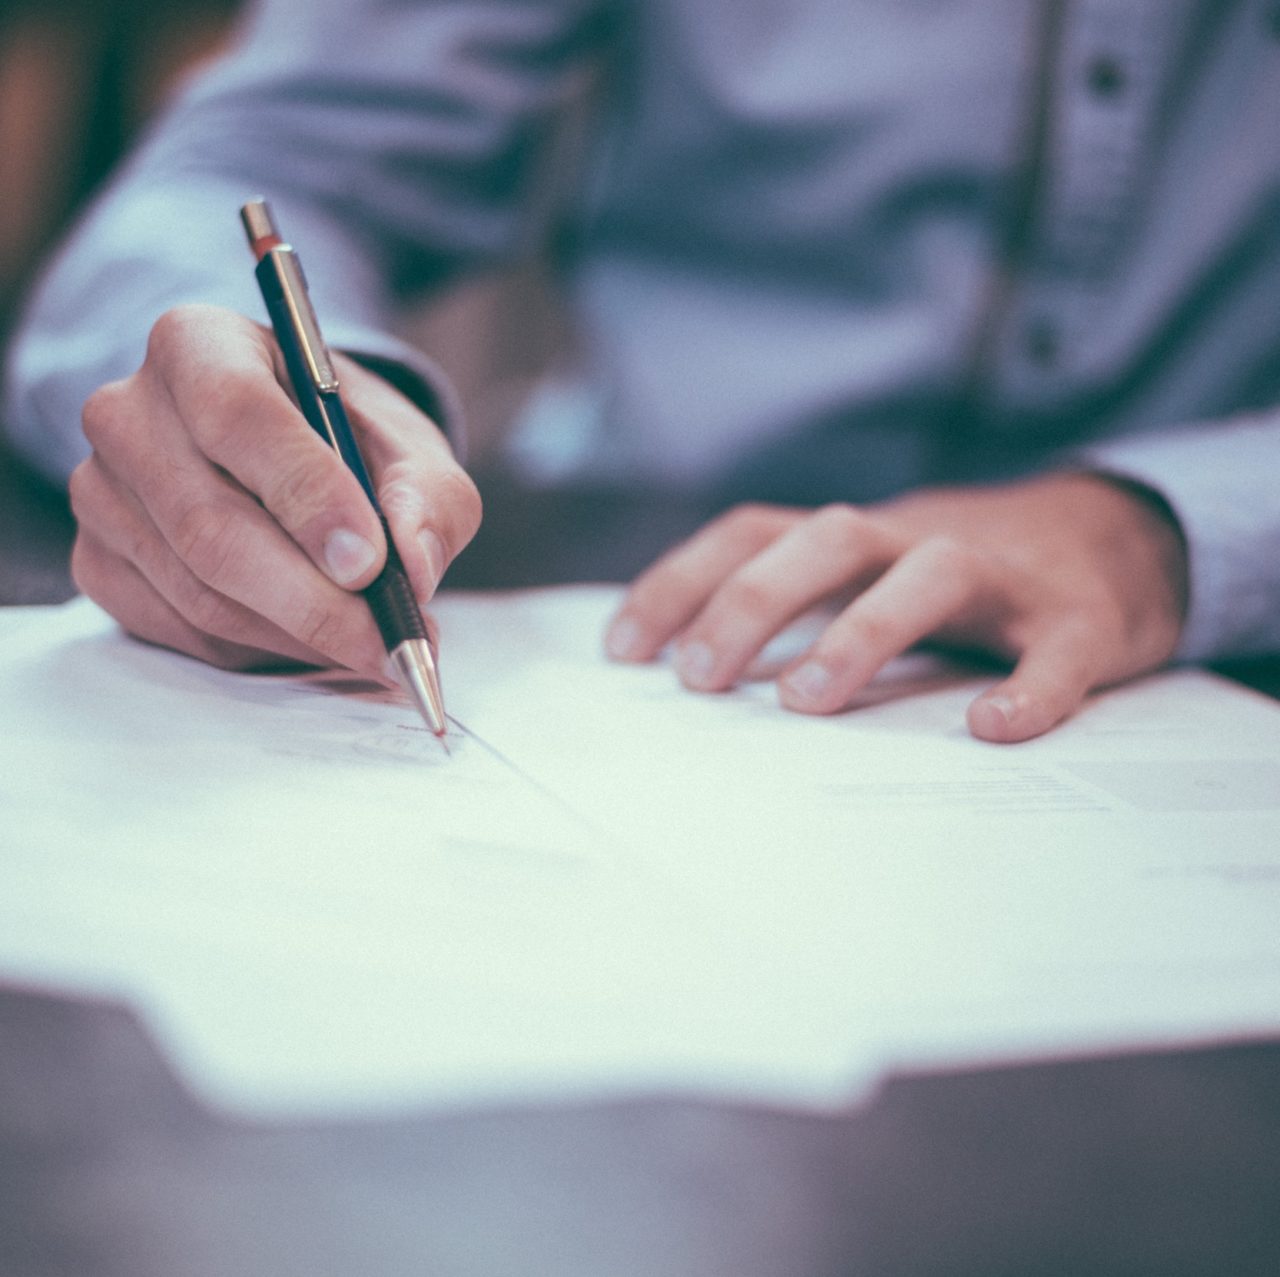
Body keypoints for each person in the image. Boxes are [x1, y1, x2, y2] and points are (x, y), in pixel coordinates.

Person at [3, 0, 1278, 743]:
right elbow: (261, 153)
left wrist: (1166, 530)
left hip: (1209, 655)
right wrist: (231, 404)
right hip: (628, 596)